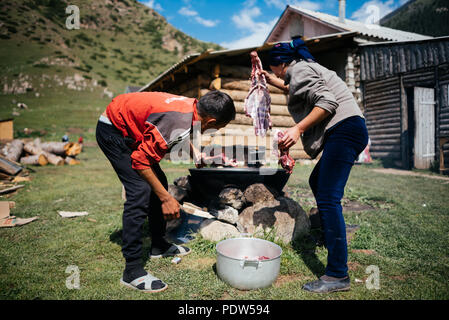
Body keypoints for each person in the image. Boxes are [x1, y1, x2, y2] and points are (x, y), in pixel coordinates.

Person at [96, 90, 236, 293]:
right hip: (114, 130)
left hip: (126, 122)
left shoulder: (191, 108)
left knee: (158, 181)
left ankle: (158, 245)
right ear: (211, 121)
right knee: (140, 191)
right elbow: (140, 161)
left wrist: (195, 153)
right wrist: (166, 198)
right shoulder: (177, 119)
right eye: (219, 127)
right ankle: (132, 271)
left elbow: (179, 129)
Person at [263, 37, 369, 293]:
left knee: (328, 197)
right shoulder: (302, 68)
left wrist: (297, 128)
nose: (276, 74)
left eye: (273, 69)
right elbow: (295, 89)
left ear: (280, 65)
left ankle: (337, 274)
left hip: (344, 130)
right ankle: (328, 232)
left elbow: (327, 102)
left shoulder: (298, 69)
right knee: (317, 182)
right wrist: (266, 79)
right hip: (349, 129)